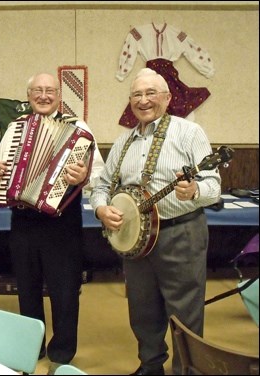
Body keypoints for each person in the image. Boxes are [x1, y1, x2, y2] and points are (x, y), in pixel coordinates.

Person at [89, 68, 222, 375]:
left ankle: (187, 370)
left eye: (151, 93)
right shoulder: (123, 142)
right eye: (137, 94)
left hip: (181, 233)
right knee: (143, 309)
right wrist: (100, 210)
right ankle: (150, 366)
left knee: (185, 313)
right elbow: (101, 186)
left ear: (167, 98)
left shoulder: (189, 133)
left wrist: (194, 190)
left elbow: (214, 185)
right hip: (137, 242)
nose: (144, 100)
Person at [0, 73, 105, 374]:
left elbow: (98, 174)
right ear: (29, 95)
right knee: (27, 286)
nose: (44, 95)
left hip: (62, 222)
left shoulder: (79, 129)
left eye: (50, 90)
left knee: (64, 288)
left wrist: (83, 177)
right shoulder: (15, 128)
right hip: (23, 218)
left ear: (59, 95)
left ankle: (62, 353)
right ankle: (31, 345)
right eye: (38, 90)